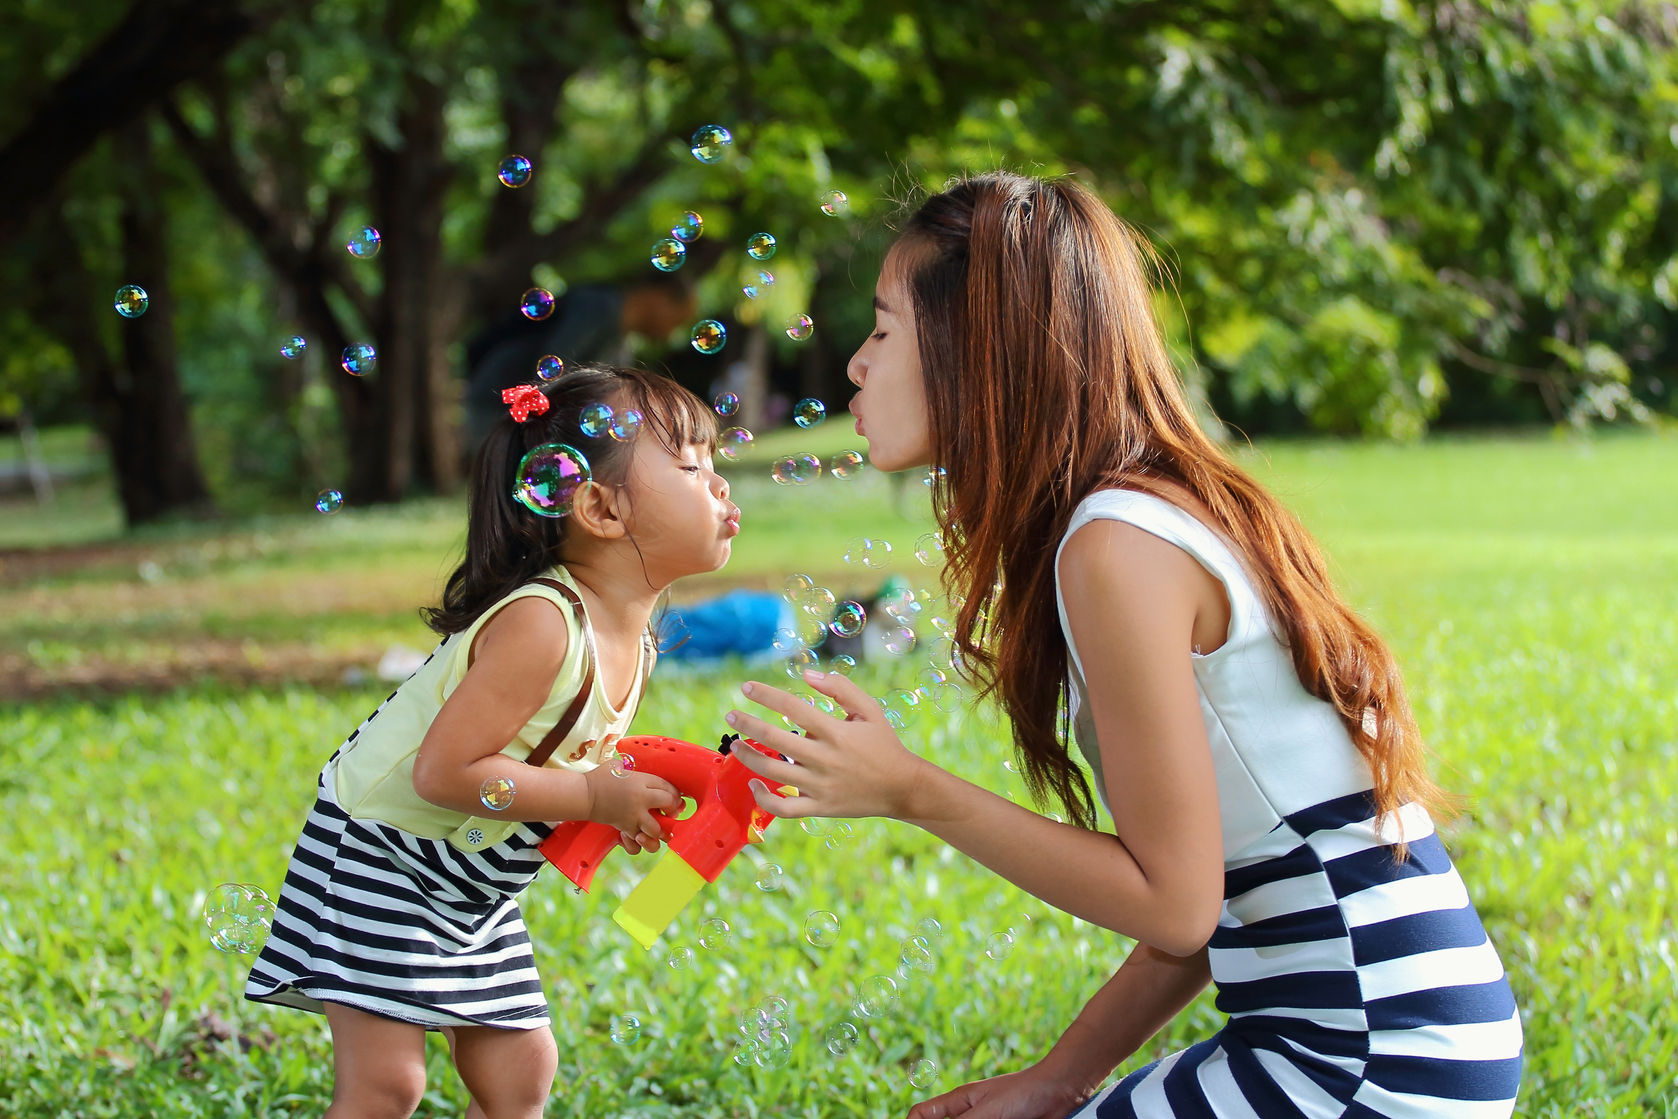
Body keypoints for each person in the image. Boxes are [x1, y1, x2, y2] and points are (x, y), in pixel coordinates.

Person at [725, 172, 1523, 1118]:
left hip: (1365, 1059)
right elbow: (1199, 912)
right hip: (1390, 1033)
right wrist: (1055, 1081)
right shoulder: (1140, 513)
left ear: (981, 348)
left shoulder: (1117, 544)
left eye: (884, 328)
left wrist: (911, 790)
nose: (856, 364)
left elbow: (1174, 904)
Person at [245, 364, 740, 1119]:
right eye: (689, 466)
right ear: (601, 508)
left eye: (715, 464)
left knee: (520, 1077)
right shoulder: (541, 621)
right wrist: (591, 794)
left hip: (472, 879)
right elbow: (444, 770)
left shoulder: (635, 642)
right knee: (387, 1085)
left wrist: (629, 801)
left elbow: (562, 757)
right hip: (383, 849)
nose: (719, 483)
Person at [462, 277, 697, 454]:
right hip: (500, 402)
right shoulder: (599, 308)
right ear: (657, 297)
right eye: (677, 320)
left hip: (528, 420)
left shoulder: (622, 343)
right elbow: (552, 366)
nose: (669, 335)